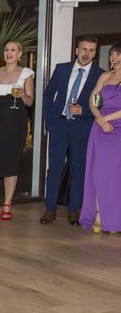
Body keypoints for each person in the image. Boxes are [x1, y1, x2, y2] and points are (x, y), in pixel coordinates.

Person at [39, 37, 104, 225]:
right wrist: (50, 120)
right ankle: (50, 208)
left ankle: (74, 210)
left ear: (95, 53)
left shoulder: (100, 75)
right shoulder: (62, 69)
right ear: (77, 50)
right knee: (55, 169)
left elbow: (101, 103)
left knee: (79, 169)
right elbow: (48, 94)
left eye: (91, 50)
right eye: (84, 49)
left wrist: (84, 110)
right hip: (59, 125)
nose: (87, 53)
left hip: (82, 127)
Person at [0, 41, 35, 221]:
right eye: (6, 50)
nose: (9, 53)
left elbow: (30, 102)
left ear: (20, 54)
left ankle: (7, 205)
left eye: (13, 50)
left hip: (16, 121)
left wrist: (22, 95)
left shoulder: (26, 74)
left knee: (12, 162)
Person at [80, 42, 121, 233]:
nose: (114, 58)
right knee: (98, 172)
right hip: (100, 128)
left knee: (115, 175)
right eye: (112, 54)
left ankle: (114, 219)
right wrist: (99, 117)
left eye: (118, 54)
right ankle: (98, 215)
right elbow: (93, 99)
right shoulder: (105, 76)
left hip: (118, 128)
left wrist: (106, 119)